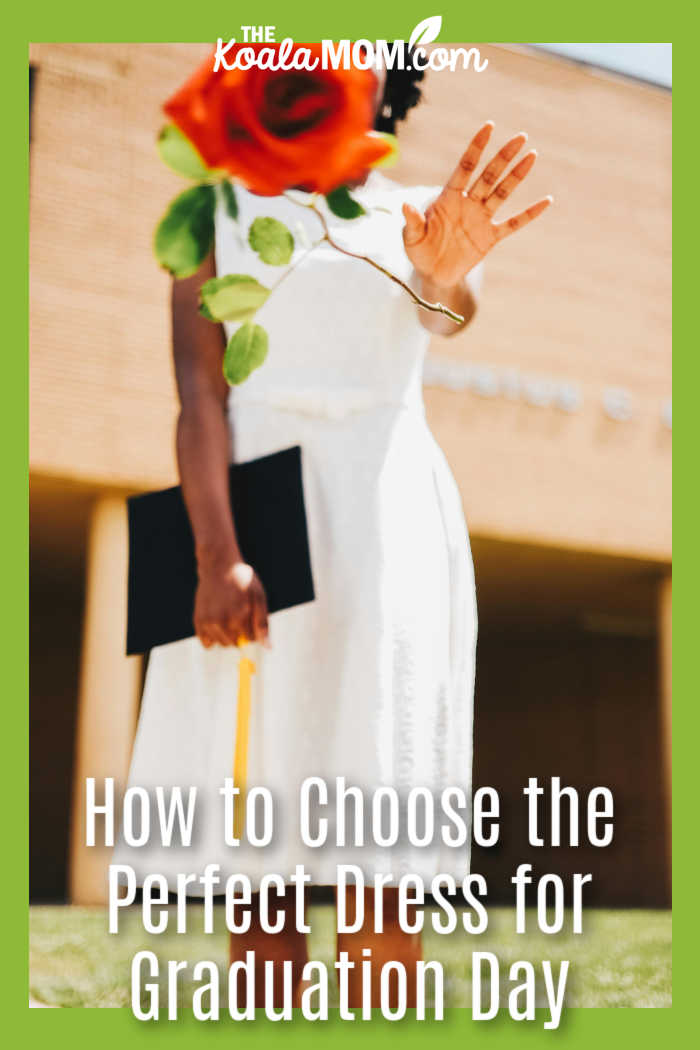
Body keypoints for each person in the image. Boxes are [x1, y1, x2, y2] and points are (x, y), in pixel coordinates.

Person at [115, 57, 551, 1008]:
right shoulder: (211, 218)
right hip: (250, 509)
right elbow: (200, 395)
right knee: (258, 839)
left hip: (384, 508)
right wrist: (216, 554)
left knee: (379, 814)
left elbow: (449, 312)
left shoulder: (420, 214)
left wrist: (442, 274)